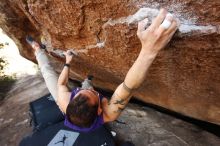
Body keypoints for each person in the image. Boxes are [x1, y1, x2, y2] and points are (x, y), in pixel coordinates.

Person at [26, 8, 177, 134]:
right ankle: (88, 83)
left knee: (47, 72)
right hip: (88, 104)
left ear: (74, 98)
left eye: (79, 92)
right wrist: (149, 50)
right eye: (92, 95)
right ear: (100, 110)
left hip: (69, 100)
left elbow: (61, 84)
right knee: (88, 87)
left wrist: (67, 63)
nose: (79, 91)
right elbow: (128, 87)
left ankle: (38, 50)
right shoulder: (109, 113)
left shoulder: (65, 101)